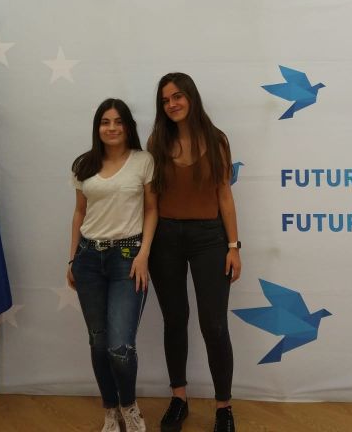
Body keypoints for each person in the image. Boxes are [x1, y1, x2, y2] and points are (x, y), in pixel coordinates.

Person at [148, 73, 241, 432]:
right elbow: (150, 203)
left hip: (209, 239)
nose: (171, 104)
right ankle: (179, 399)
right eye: (165, 100)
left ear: (191, 97)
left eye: (177, 97)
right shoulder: (157, 142)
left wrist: (233, 246)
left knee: (214, 325)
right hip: (166, 239)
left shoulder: (217, 140)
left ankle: (224, 407)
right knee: (175, 320)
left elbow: (224, 196)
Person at [68, 98, 157, 432]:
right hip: (88, 259)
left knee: (120, 347)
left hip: (128, 259)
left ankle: (129, 406)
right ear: (98, 127)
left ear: (128, 126)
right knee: (98, 342)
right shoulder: (84, 164)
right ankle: (110, 411)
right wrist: (72, 258)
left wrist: (143, 254)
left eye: (118, 121)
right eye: (105, 122)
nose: (112, 127)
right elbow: (79, 212)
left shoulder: (143, 161)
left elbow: (152, 209)